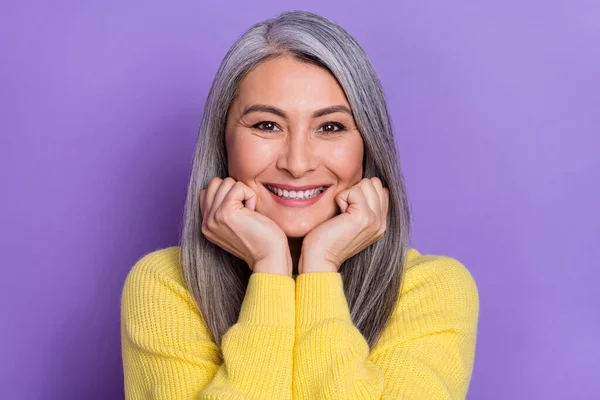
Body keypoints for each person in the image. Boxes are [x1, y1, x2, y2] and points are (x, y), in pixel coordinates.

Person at [120, 10, 479, 399]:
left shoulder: (432, 289)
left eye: (330, 127)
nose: (297, 163)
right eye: (266, 125)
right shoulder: (168, 285)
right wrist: (271, 267)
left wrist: (319, 268)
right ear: (223, 142)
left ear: (368, 146)